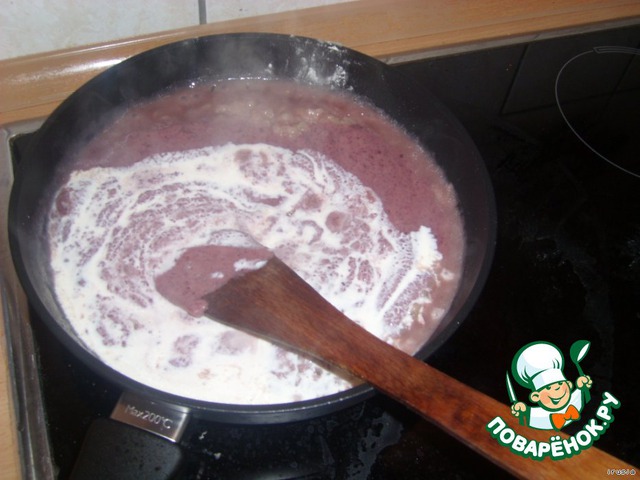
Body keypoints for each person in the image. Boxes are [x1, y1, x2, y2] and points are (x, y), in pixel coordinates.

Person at [510, 341, 592, 430]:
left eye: (560, 384)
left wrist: (582, 386)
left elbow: (582, 395)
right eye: (548, 388)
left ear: (569, 385)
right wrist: (522, 410)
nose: (557, 389)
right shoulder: (538, 415)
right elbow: (526, 415)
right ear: (535, 396)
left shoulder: (576, 399)